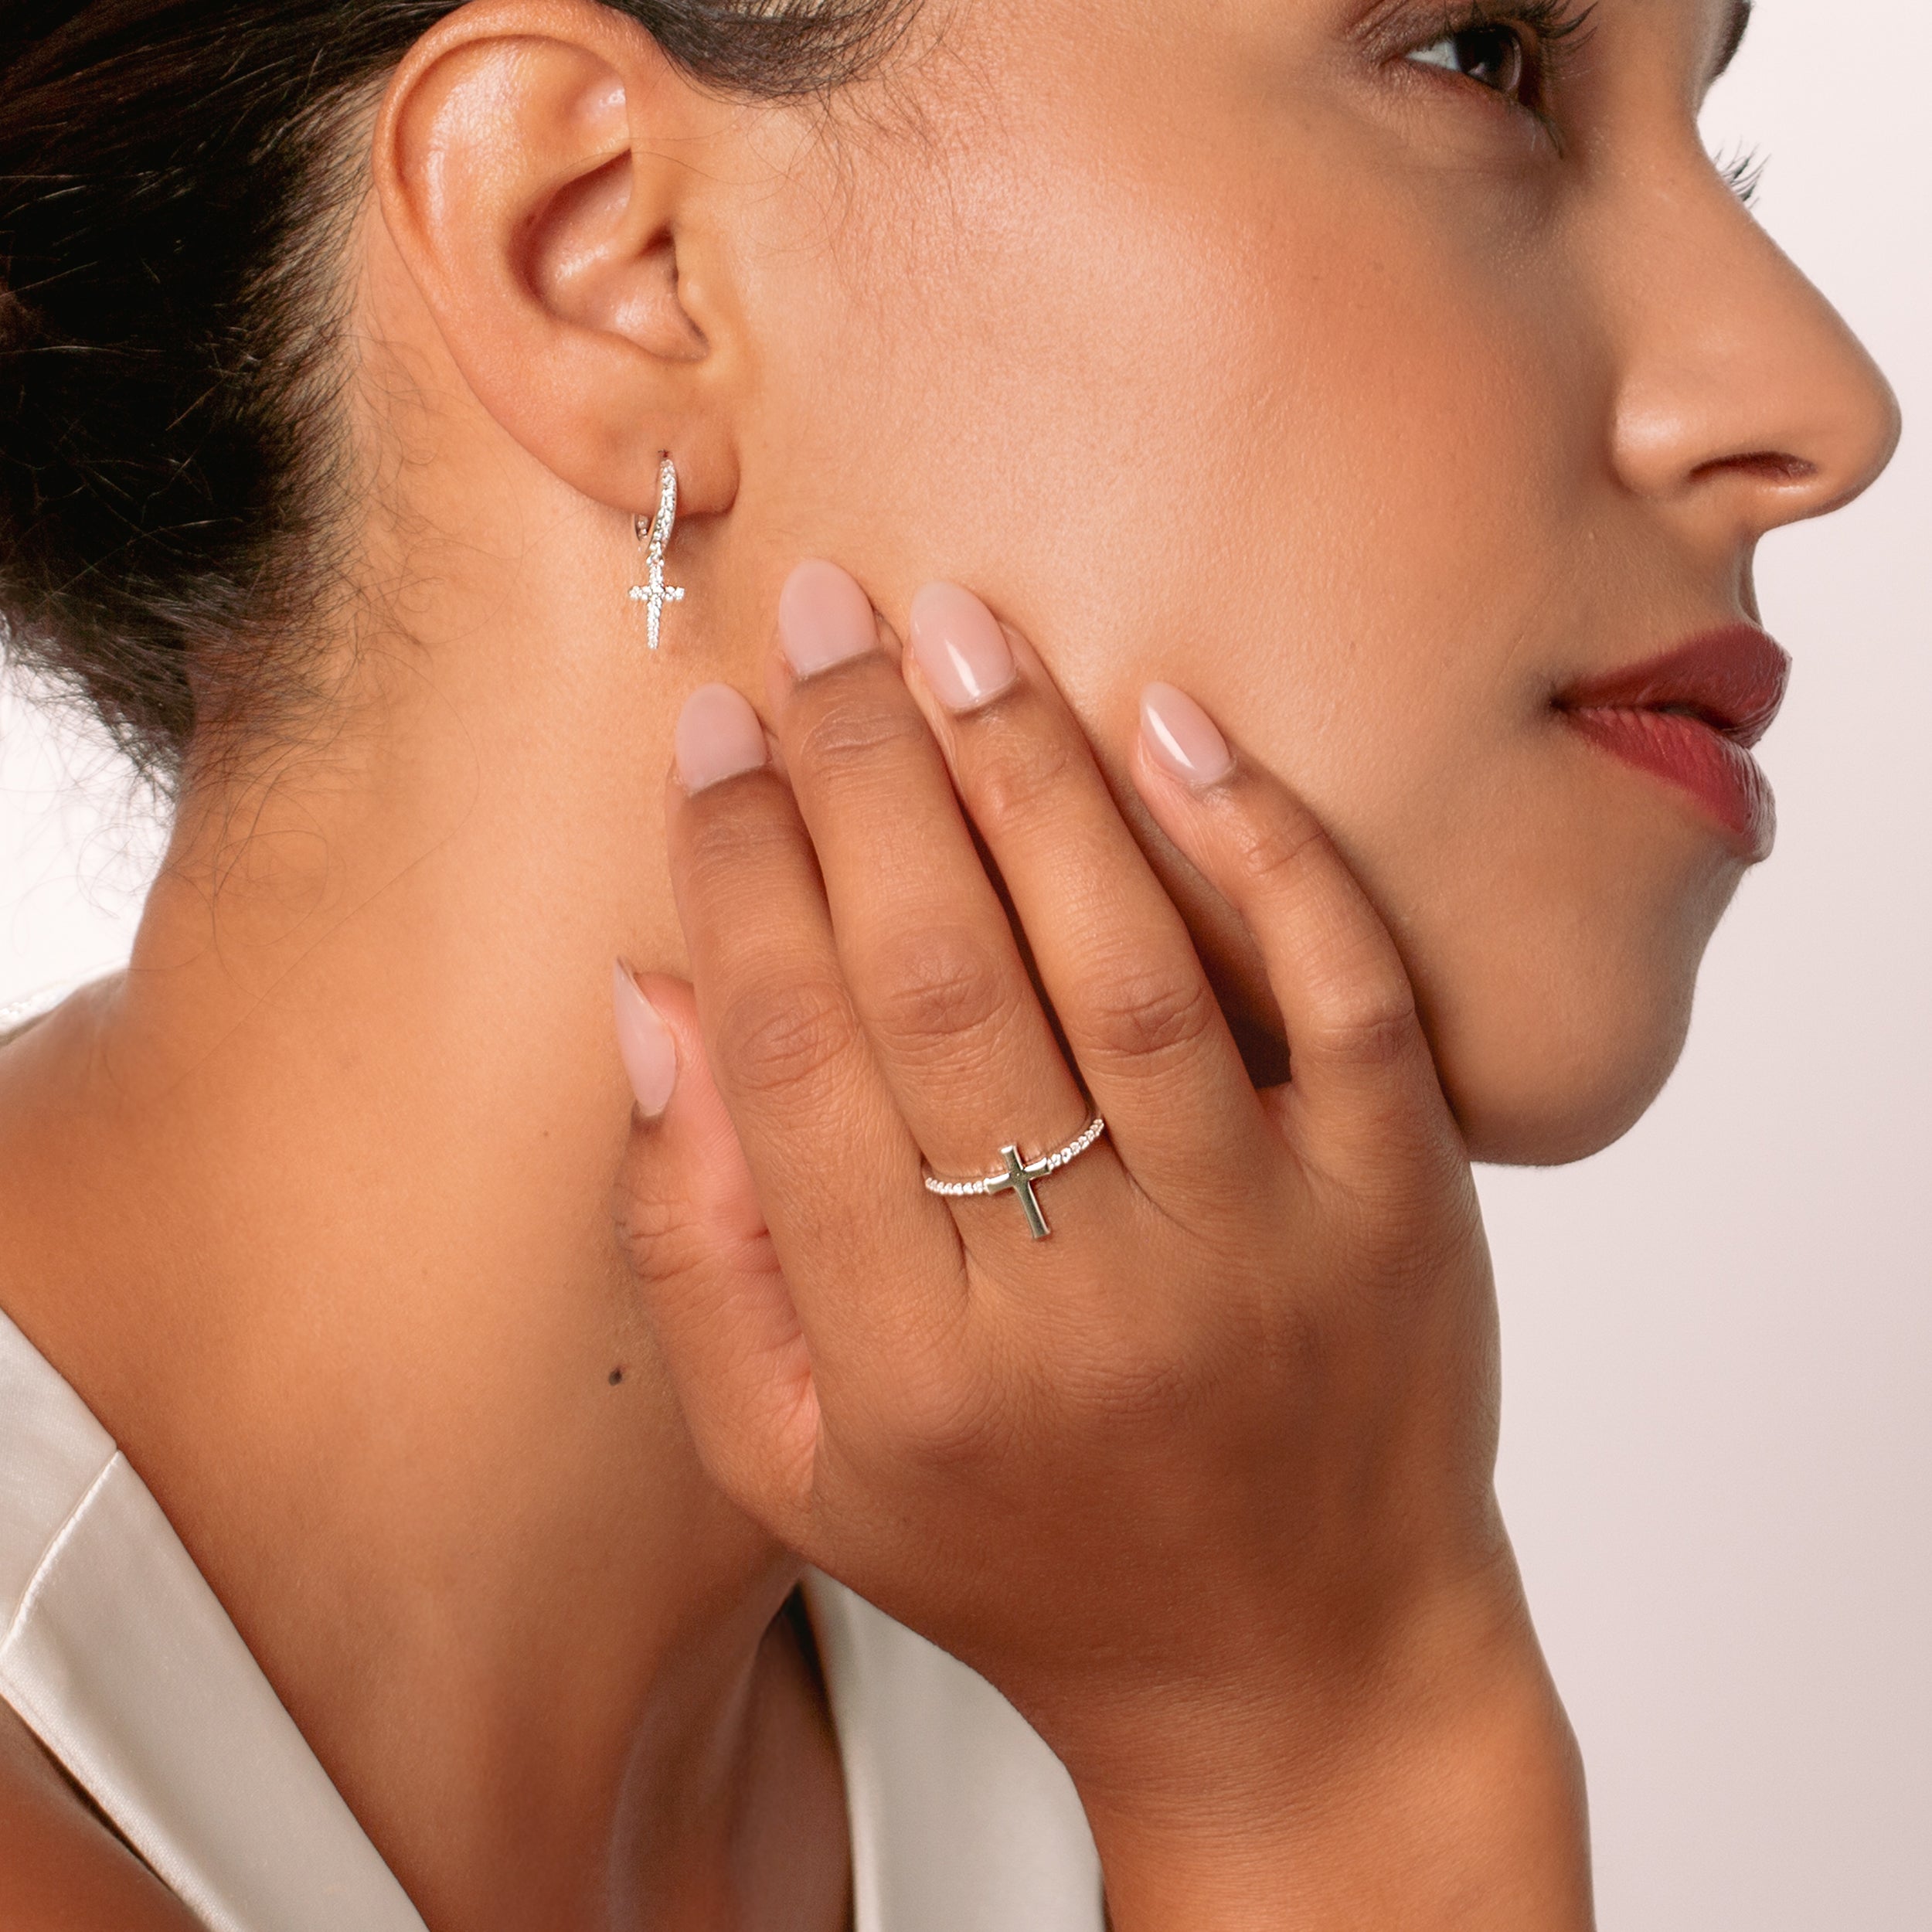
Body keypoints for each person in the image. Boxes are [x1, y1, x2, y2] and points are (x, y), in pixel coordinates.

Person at [0, 0, 1898, 1925]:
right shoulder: (1233, 1676)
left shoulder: (1133, 1580)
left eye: (1714, 148)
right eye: (1480, 61)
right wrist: (1335, 1771)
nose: (1825, 409)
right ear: (607, 254)